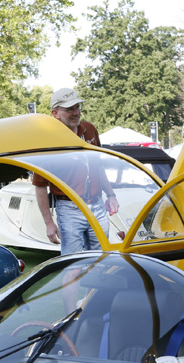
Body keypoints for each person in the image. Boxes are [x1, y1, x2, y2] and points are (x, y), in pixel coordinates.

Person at [33, 87, 118, 254]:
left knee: (102, 259)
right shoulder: (47, 141)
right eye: (69, 109)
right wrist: (49, 222)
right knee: (73, 264)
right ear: (55, 113)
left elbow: (98, 165)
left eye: (77, 107)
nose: (76, 112)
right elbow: (39, 185)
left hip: (97, 204)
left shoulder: (90, 129)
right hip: (69, 208)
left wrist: (111, 194)